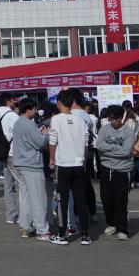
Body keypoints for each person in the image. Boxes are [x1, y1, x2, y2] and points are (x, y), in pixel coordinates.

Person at [48, 89, 92, 244]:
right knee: (81, 200)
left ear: (59, 103)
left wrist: (52, 159)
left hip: (63, 165)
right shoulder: (81, 120)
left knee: (63, 200)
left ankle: (62, 235)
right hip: (79, 164)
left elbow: (53, 141)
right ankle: (85, 235)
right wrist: (83, 161)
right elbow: (86, 143)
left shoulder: (56, 119)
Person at [10, 100, 52, 241]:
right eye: (34, 109)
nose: (35, 112)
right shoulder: (29, 124)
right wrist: (46, 135)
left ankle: (26, 227)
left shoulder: (18, 123)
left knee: (25, 197)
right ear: (29, 110)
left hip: (20, 164)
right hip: (32, 165)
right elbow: (40, 143)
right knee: (38, 198)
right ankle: (42, 230)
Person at [95, 105, 136, 240]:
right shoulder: (104, 129)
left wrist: (108, 150)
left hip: (122, 170)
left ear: (121, 118)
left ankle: (122, 228)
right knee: (106, 198)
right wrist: (116, 148)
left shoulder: (128, 132)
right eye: (110, 119)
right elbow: (99, 145)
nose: (113, 121)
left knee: (120, 200)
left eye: (115, 119)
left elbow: (126, 152)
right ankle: (111, 223)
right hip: (106, 169)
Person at [0, 94, 19, 225]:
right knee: (22, 185)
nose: (15, 102)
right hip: (14, 153)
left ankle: (10, 215)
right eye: (13, 100)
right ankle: (24, 215)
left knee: (8, 186)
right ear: (8, 102)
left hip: (3, 153)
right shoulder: (12, 116)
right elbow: (19, 134)